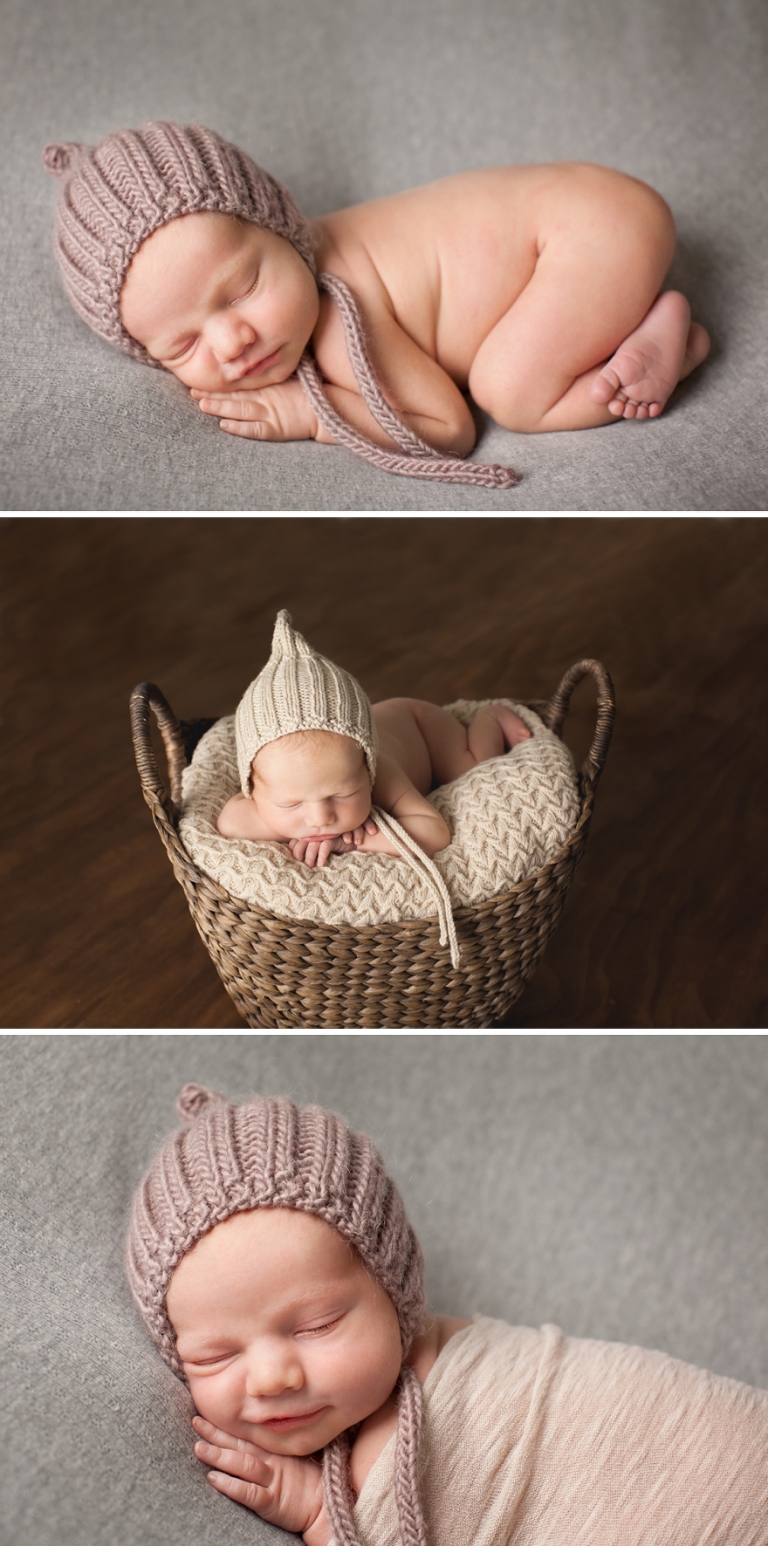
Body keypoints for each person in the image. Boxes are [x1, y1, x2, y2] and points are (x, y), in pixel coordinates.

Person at [127, 1085, 768, 1546]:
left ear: (395, 1290)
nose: (272, 1378)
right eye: (215, 1355)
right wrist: (315, 1506)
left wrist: (325, 1515)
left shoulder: (450, 1373)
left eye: (317, 1324)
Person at [43, 122, 710, 489]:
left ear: (281, 225)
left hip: (588, 232)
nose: (232, 340)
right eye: (182, 346)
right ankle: (639, 317)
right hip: (591, 211)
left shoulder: (337, 306)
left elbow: (446, 428)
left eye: (243, 287)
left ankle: (667, 348)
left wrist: (314, 414)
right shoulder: (286, 282)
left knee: (512, 392)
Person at [218, 609, 531, 868]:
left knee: (470, 769)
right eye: (291, 804)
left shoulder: (382, 774)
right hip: (384, 721)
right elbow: (231, 823)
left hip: (419, 725)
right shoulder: (266, 795)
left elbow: (435, 833)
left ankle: (490, 717)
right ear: (253, 789)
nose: (320, 818)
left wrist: (351, 841)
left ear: (367, 770)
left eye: (342, 794)